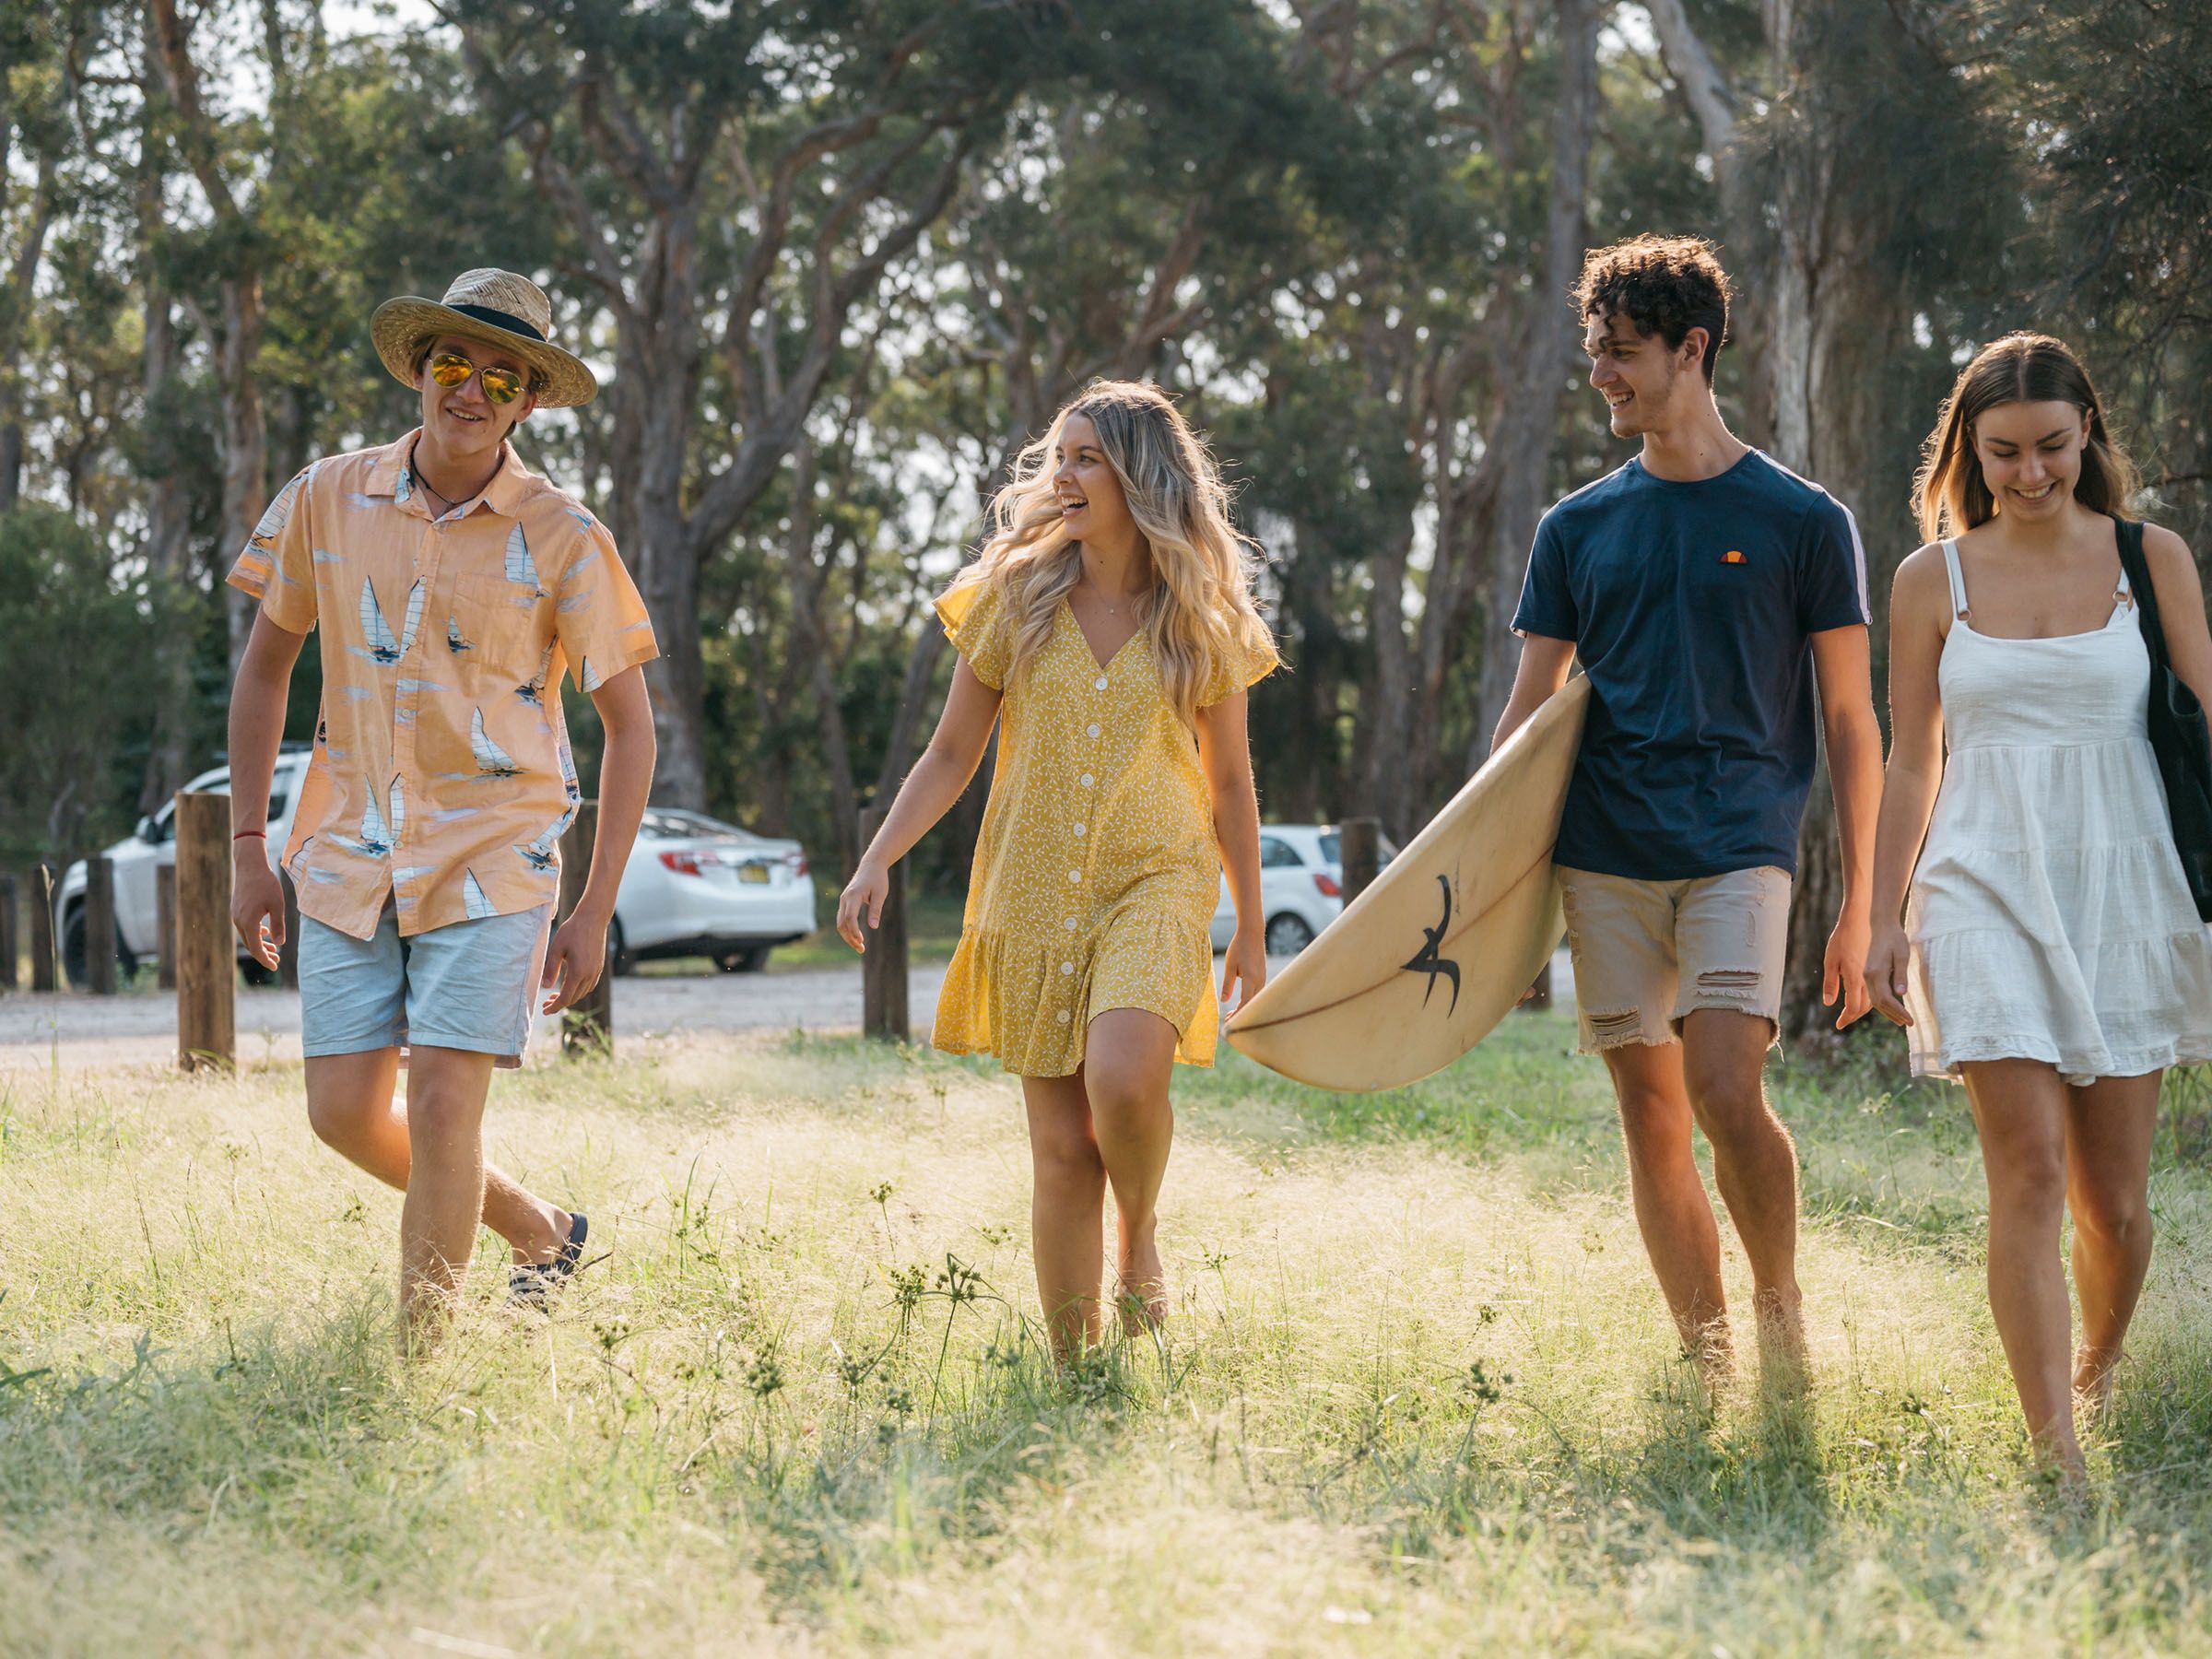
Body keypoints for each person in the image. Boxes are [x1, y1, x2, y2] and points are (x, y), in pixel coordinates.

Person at [226, 268, 660, 1346]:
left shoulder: (567, 536)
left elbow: (632, 726)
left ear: (526, 404)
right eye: (455, 363)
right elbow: (265, 668)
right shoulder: (326, 495)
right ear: (422, 370)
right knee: (340, 1115)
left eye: (501, 377)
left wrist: (594, 908)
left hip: (495, 856)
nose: (472, 390)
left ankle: (420, 1364)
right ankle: (545, 1232)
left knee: (444, 1105)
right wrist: (246, 846)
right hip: (347, 852)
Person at [1490, 235, 1883, 1382]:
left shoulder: (1804, 520)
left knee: (1720, 1086)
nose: (1602, 375)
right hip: (1603, 852)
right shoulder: (1576, 528)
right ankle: (1705, 1361)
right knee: (1651, 1114)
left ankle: (1778, 1305)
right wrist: (1485, 883)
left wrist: (1864, 901)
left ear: (1691, 349)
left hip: (1738, 845)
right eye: (1594, 354)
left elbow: (1855, 722)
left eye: (1621, 354)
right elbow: (1527, 715)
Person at [836, 381, 1277, 1359]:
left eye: (1085, 458)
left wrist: (1248, 924)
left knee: (1123, 1083)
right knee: (1063, 1150)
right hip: (1029, 886)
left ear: (1138, 476)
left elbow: (1234, 783)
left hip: (1156, 878)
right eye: (1059, 457)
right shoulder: (1016, 595)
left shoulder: (1202, 615)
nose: (1061, 476)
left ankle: (1142, 1235)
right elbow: (952, 752)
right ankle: (1077, 1373)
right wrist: (878, 859)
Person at [1864, 332, 2212, 1477]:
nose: (2028, 474)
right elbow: (1913, 760)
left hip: (2123, 879)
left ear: (2088, 438)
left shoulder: (2150, 558)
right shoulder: (1932, 579)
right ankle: (2054, 1453)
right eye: (2003, 451)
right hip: (1980, 881)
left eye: (2052, 448)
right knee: (2028, 1171)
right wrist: (1880, 913)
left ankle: (2096, 1380)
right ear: (1968, 449)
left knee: (2112, 1205)